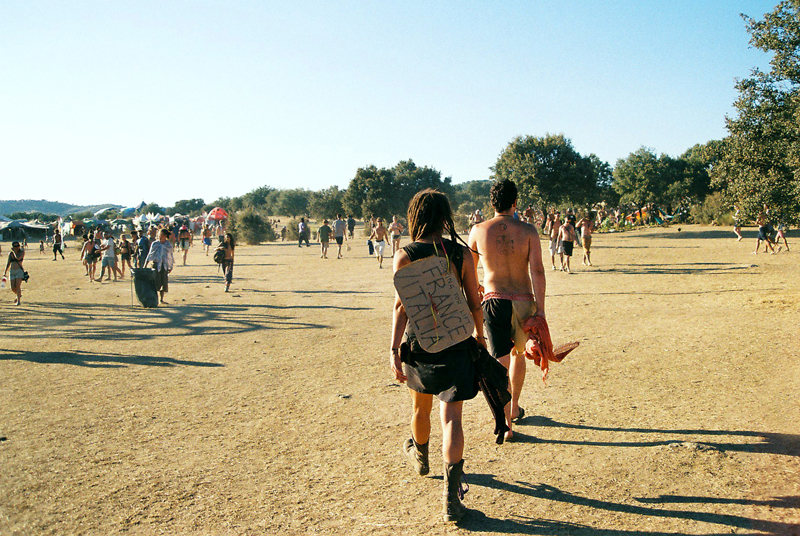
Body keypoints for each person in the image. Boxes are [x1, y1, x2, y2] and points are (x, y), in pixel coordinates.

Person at [391, 189, 486, 523]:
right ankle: (451, 501)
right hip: (458, 339)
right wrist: (481, 336)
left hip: (421, 342)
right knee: (453, 419)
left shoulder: (405, 255)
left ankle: (421, 456)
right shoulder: (461, 254)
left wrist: (393, 348)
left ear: (415, 216)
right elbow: (475, 302)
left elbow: (403, 306)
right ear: (445, 217)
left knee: (421, 408)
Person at [468, 179, 546, 440]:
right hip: (523, 299)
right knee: (519, 354)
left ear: (492, 203)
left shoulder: (478, 230)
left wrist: (475, 286)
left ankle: (506, 424)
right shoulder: (528, 231)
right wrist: (541, 310)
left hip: (494, 299)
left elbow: (468, 268)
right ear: (515, 202)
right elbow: (537, 270)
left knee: (500, 360)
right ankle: (513, 408)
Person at [145, 228, 174, 304]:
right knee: (155, 282)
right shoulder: (155, 244)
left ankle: (161, 299)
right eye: (158, 235)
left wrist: (170, 266)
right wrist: (145, 264)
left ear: (164, 236)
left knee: (163, 282)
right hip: (155, 265)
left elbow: (170, 256)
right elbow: (150, 254)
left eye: (160, 235)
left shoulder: (168, 245)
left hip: (164, 266)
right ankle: (155, 299)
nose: (159, 236)